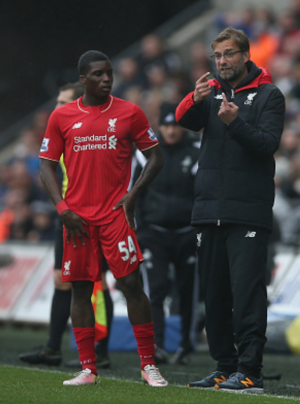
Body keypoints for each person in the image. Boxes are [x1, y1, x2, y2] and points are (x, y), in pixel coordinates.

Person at [38, 50, 167, 387]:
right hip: (77, 220)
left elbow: (155, 157)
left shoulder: (130, 113)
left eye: (109, 73)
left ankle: (148, 364)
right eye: (98, 74)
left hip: (114, 217)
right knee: (80, 291)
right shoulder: (62, 117)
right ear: (83, 79)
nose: (106, 79)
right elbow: (46, 166)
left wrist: (133, 194)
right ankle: (87, 368)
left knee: (132, 286)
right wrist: (63, 210)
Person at [176, 27, 285, 393]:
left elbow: (267, 144)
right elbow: (182, 120)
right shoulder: (210, 95)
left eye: (229, 54)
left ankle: (250, 369)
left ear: (245, 55)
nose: (222, 61)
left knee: (247, 293)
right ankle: (224, 367)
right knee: (215, 294)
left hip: (248, 212)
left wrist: (234, 123)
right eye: (217, 55)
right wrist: (194, 97)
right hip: (209, 209)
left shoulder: (270, 95)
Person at [20, 82, 114, 370]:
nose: (57, 109)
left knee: (96, 282)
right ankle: (52, 348)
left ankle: (100, 349)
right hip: (67, 217)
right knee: (61, 280)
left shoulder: (92, 133)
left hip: (93, 217)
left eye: (63, 103)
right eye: (57, 102)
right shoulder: (64, 133)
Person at [135, 102, 199, 365]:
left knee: (187, 290)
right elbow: (135, 192)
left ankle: (185, 344)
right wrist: (141, 228)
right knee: (156, 289)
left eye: (176, 125)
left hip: (187, 233)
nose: (171, 131)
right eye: (167, 125)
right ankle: (157, 345)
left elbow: (202, 192)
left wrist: (198, 227)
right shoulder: (145, 153)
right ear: (159, 126)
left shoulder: (197, 153)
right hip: (155, 233)